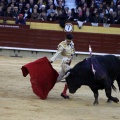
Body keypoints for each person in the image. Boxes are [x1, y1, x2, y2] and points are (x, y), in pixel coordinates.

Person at [50, 33, 75, 99]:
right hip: (64, 63)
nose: (69, 42)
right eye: (68, 41)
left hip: (68, 62)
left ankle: (47, 84)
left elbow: (72, 53)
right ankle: (64, 92)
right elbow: (57, 53)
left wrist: (71, 59)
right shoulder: (62, 45)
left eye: (70, 41)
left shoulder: (72, 43)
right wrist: (52, 60)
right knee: (70, 75)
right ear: (65, 38)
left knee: (58, 78)